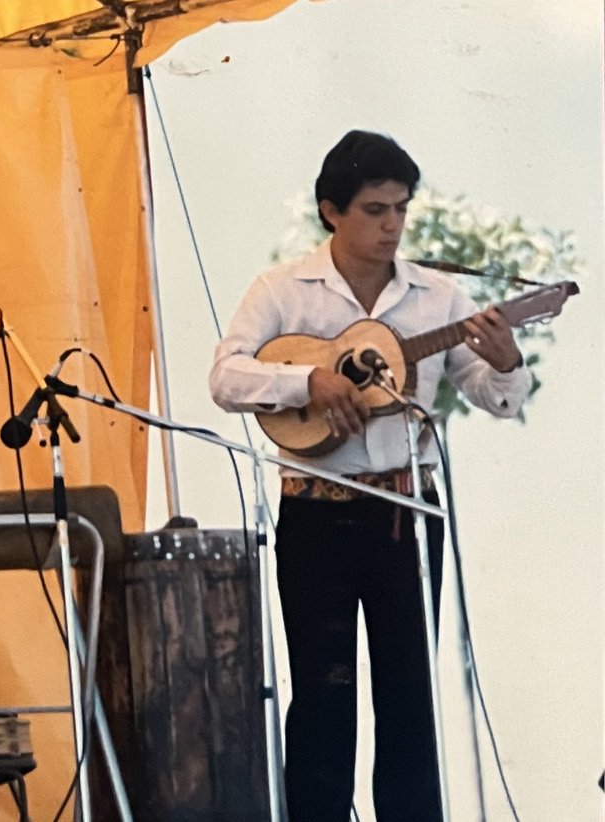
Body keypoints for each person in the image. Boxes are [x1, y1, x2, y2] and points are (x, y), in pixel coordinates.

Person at [209, 130, 531, 820]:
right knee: (323, 697)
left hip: (406, 519)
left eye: (401, 210)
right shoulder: (283, 290)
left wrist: (505, 361)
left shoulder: (436, 296)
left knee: (409, 697)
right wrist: (308, 381)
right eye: (375, 209)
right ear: (332, 210)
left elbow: (494, 394)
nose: (392, 226)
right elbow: (227, 377)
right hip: (316, 514)